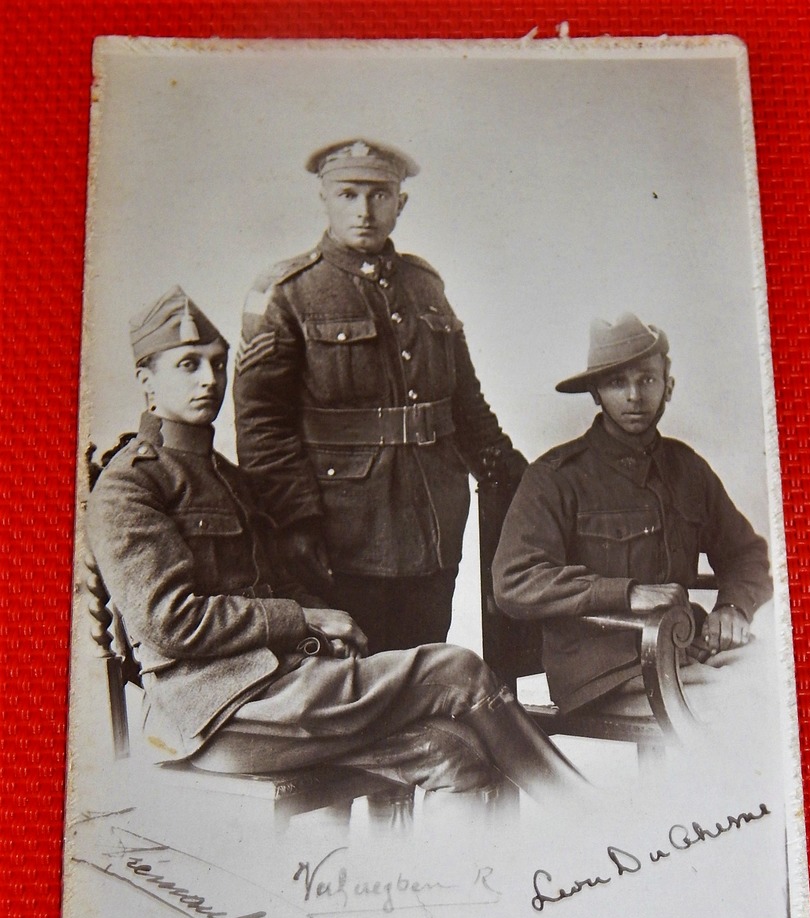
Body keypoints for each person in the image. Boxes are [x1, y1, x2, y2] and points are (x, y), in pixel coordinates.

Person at [87, 286, 582, 805]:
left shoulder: (227, 478)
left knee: (454, 755)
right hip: (214, 713)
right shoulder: (129, 487)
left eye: (216, 363)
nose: (209, 380)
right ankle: (585, 819)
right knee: (458, 672)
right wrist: (303, 621)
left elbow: (279, 581)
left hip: (276, 690)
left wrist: (325, 623)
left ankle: (465, 883)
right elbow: (171, 620)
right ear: (146, 381)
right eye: (187, 366)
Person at [233, 139, 526, 652]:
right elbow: (261, 423)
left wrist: (511, 473)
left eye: (379, 196)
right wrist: (295, 521)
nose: (363, 211)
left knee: (423, 663)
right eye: (347, 195)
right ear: (323, 199)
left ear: (400, 203)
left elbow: (465, 400)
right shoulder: (287, 292)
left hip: (435, 519)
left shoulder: (425, 285)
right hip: (341, 527)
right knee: (355, 679)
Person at [492, 312, 773, 715]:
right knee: (741, 710)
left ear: (668, 385)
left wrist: (733, 607)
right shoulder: (555, 477)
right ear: (595, 393)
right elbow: (514, 582)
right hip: (605, 672)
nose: (634, 396)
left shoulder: (686, 468)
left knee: (785, 682)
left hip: (682, 648)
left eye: (646, 379)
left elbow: (748, 554)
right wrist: (627, 593)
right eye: (616, 382)